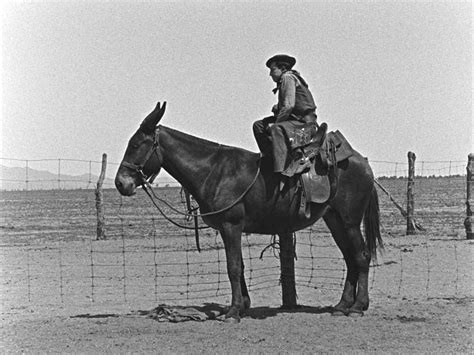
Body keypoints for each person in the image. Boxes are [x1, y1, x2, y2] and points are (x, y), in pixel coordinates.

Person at [253, 54, 318, 173]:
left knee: (276, 128)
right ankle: (271, 157)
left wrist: (276, 123)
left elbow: (288, 106)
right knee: (259, 125)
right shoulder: (289, 79)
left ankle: (281, 169)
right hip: (295, 122)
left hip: (304, 125)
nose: (270, 74)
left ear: (282, 68)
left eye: (273, 70)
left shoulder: (287, 78)